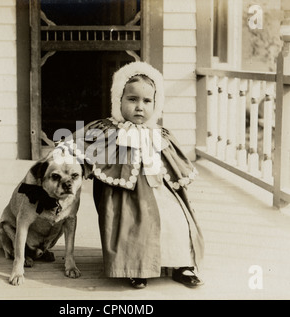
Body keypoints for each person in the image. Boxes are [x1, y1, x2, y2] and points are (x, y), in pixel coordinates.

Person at [56, 61, 204, 289]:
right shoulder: (107, 129)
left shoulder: (159, 132)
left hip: (160, 191)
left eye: (147, 101)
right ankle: (136, 266)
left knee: (175, 221)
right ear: (119, 100)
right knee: (133, 224)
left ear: (156, 104)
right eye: (132, 99)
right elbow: (75, 146)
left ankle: (182, 265)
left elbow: (174, 161)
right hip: (124, 194)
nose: (139, 107)